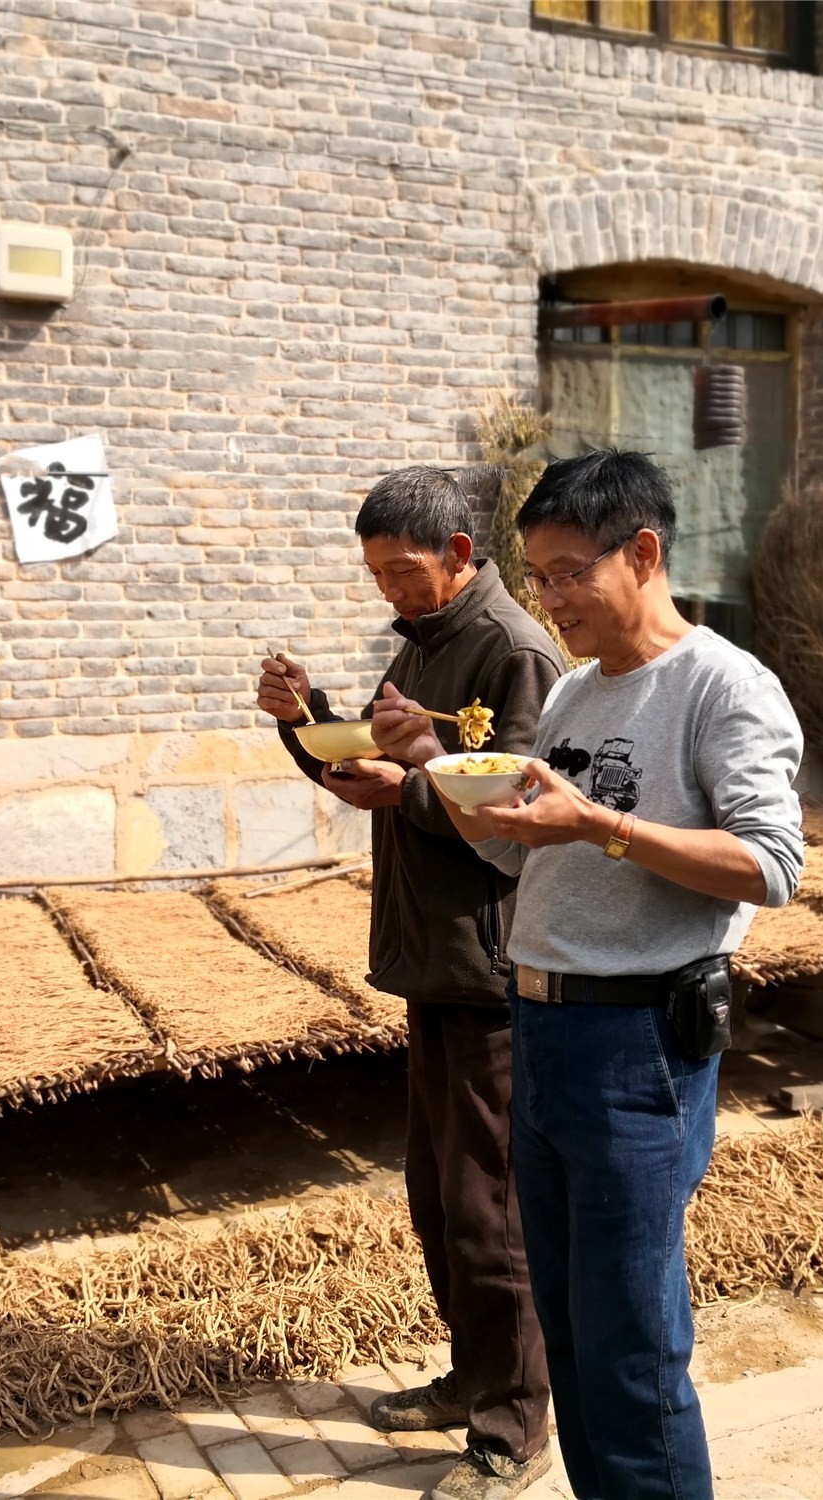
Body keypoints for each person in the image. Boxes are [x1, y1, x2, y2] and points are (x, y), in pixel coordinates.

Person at [372, 449, 804, 1500]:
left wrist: (601, 825)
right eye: (539, 576)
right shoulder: (571, 694)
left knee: (629, 1345)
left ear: (642, 553)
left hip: (637, 1045)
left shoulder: (722, 686)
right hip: (542, 1025)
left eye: (569, 574)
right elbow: (517, 849)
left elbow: (771, 864)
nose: (551, 599)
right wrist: (428, 767)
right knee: (567, 1327)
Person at [257, 467, 565, 1500]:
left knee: (491, 1210)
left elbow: (519, 813)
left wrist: (412, 788)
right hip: (433, 960)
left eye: (402, 570)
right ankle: (473, 1377)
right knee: (437, 1198)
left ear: (459, 555)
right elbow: (376, 770)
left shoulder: (513, 651)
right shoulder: (427, 641)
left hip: (490, 968)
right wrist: (305, 719)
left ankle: (512, 1428)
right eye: (376, 574)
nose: (388, 589)